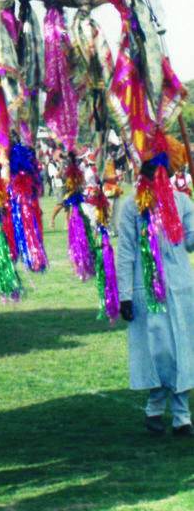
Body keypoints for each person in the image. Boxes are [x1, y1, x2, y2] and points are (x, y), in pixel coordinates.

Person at [117, 156, 194, 437]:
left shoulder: (182, 202)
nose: (155, 176)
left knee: (183, 349)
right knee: (158, 350)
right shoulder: (132, 207)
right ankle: (155, 407)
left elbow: (190, 242)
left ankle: (182, 416)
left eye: (160, 171)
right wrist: (124, 295)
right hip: (147, 289)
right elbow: (125, 251)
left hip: (181, 288)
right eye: (150, 171)